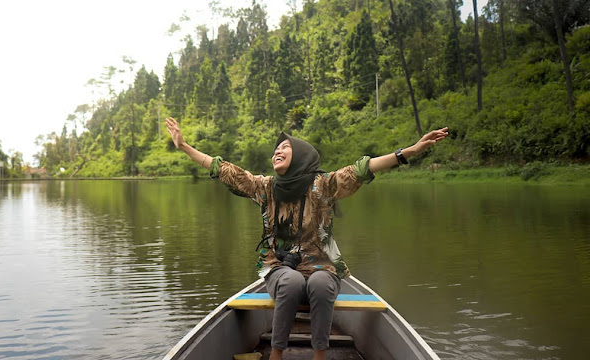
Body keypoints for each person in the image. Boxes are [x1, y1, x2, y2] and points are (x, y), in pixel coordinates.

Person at [165, 117, 448, 360]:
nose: (278, 151)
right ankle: (276, 354)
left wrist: (410, 151)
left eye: (285, 147)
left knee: (321, 282)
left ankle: (319, 354)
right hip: (279, 267)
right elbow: (225, 169)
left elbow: (364, 168)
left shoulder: (323, 185)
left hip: (321, 265)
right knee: (291, 281)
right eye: (276, 149)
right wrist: (184, 147)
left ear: (300, 155)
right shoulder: (264, 188)